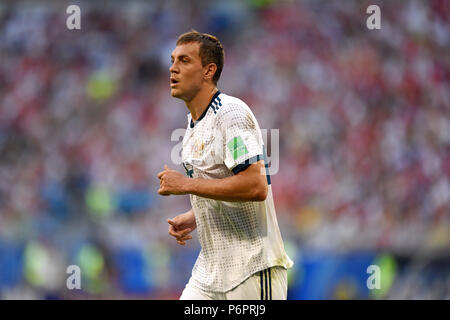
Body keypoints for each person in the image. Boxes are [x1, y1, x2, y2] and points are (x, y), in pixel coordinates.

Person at [157, 30, 293, 300]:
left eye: (184, 61)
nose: (173, 68)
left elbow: (256, 185)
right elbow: (223, 181)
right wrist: (197, 214)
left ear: (208, 70)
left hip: (251, 270)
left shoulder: (230, 114)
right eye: (173, 60)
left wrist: (186, 185)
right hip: (209, 275)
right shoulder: (193, 124)